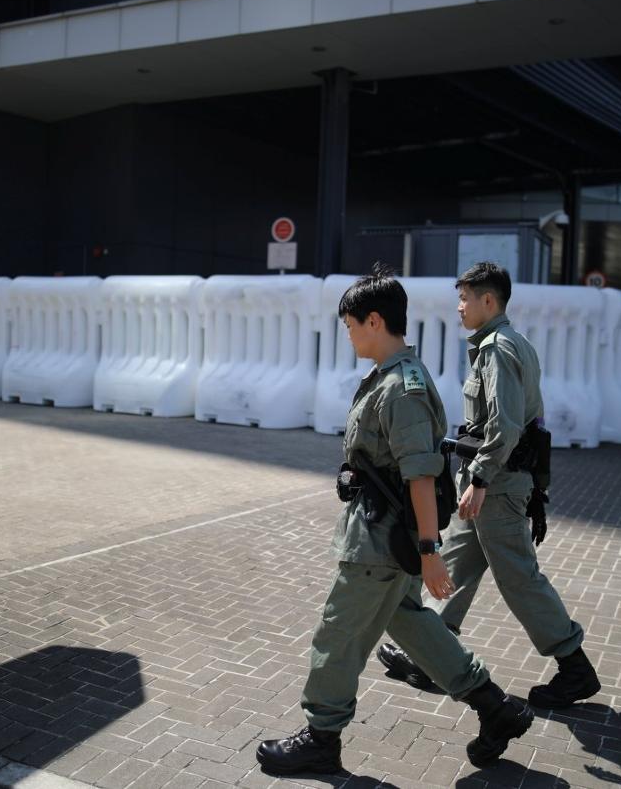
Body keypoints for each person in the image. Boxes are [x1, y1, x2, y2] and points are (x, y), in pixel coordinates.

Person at [256, 265, 533, 776]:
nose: (347, 332)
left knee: (338, 633)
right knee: (410, 624)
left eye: (350, 323)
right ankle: (496, 708)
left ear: (374, 321)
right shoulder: (389, 376)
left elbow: (421, 478)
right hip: (386, 534)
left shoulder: (401, 388)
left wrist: (430, 553)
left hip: (382, 543)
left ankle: (322, 737)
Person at [376, 261, 600, 711]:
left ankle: (574, 667)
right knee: (454, 564)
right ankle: (433, 654)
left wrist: (479, 479)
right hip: (487, 482)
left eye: (465, 298)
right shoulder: (506, 344)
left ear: (488, 301)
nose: (459, 307)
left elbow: (506, 425)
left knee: (518, 577)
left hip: (496, 485)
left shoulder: (498, 348)